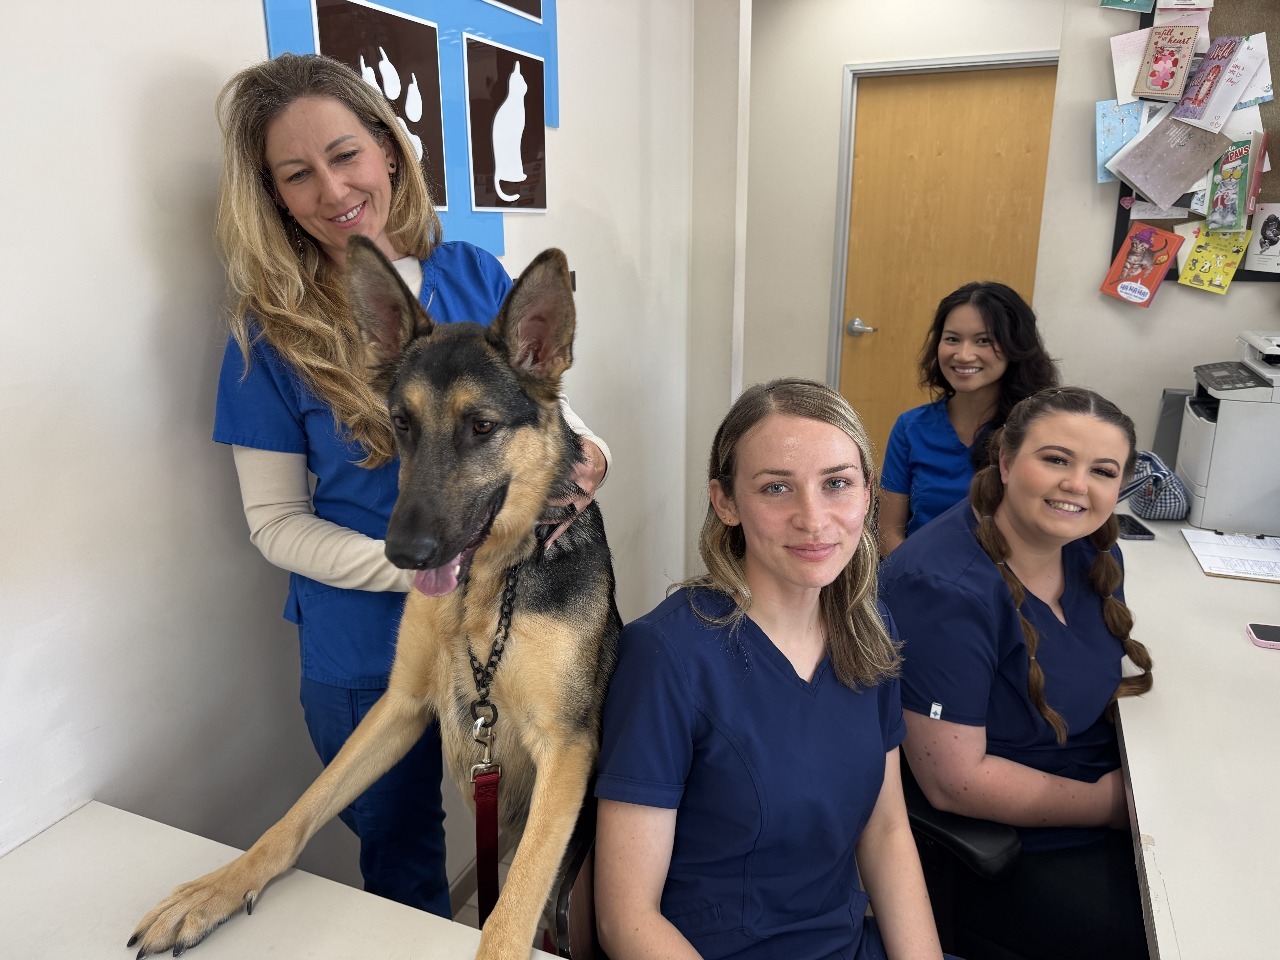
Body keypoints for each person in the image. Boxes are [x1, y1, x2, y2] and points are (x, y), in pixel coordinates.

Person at [210, 53, 610, 918]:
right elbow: (274, 523)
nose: (331, 188)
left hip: (498, 597)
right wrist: (423, 571)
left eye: (346, 154)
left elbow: (545, 409)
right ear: (274, 196)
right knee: (400, 871)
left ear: (390, 151)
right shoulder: (265, 338)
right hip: (368, 628)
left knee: (525, 814)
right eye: (296, 174)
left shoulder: (469, 269)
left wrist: (592, 450)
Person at [594, 378, 952, 960]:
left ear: (867, 492)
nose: (813, 520)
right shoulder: (667, 655)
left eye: (836, 483)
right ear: (725, 502)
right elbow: (625, 918)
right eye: (776, 489)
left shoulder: (868, 625)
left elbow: (885, 831)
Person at [879, 386, 1154, 960]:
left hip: (1113, 787)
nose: (1077, 485)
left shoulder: (1090, 551)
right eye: (1055, 459)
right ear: (1005, 462)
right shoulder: (943, 587)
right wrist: (1109, 807)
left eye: (1102, 470)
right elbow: (954, 781)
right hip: (1027, 837)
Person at [879, 281, 1058, 556]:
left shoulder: (1039, 431)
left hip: (1006, 587)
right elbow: (888, 532)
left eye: (983, 340)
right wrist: (917, 583)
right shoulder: (910, 428)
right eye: (952, 339)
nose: (963, 355)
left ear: (1015, 346)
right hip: (918, 581)